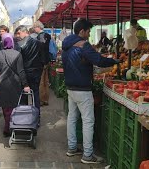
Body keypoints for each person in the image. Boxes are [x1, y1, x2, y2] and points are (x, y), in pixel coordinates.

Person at [62, 19, 119, 164]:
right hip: (82, 88)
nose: (89, 34)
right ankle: (88, 155)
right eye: (88, 31)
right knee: (88, 121)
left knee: (72, 117)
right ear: (82, 31)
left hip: (70, 87)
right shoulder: (83, 45)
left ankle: (72, 148)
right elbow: (98, 60)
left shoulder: (66, 45)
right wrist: (113, 61)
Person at [0, 33, 30, 137]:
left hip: (2, 83)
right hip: (15, 83)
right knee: (14, 106)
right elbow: (21, 71)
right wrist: (25, 85)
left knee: (6, 107)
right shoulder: (17, 54)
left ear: (2, 42)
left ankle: (7, 126)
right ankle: (12, 126)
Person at [14, 25, 43, 120]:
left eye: (19, 33)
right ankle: (37, 117)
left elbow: (18, 61)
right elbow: (43, 59)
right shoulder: (38, 43)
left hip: (25, 73)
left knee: (23, 95)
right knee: (35, 95)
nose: (18, 35)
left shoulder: (19, 44)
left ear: (24, 32)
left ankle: (24, 118)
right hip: (36, 73)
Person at [33, 21, 51, 106]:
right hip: (47, 60)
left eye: (34, 27)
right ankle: (46, 99)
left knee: (40, 81)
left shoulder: (40, 36)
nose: (34, 29)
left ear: (38, 27)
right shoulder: (47, 36)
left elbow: (41, 50)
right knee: (46, 80)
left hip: (41, 61)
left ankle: (40, 100)